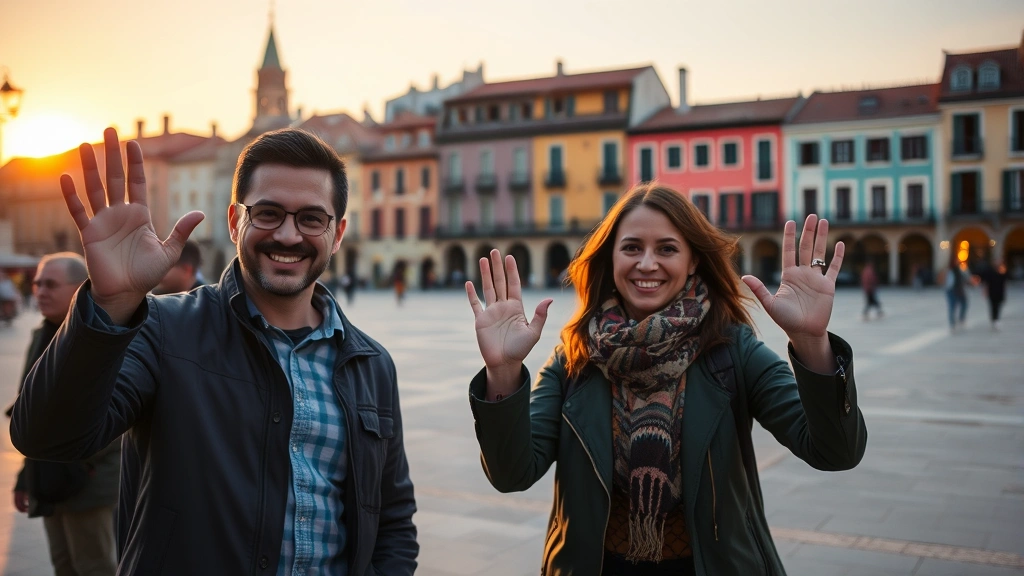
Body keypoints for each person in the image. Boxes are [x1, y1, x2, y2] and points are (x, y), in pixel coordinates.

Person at [11, 127, 418, 574]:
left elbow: (392, 518)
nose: (287, 235)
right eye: (267, 213)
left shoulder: (372, 365)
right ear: (233, 221)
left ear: (337, 233)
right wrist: (109, 307)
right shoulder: (164, 329)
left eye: (311, 219)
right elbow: (47, 437)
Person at [464, 183, 866, 575]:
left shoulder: (732, 351)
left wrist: (811, 342)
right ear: (611, 256)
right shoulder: (575, 358)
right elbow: (511, 474)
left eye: (667, 248)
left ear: (692, 260)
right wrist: (502, 371)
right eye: (632, 247)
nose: (647, 263)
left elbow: (834, 452)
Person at [10, 253, 121, 576]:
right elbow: (31, 412)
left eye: (50, 284)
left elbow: (117, 417)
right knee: (63, 564)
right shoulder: (41, 334)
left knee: (93, 566)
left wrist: (84, 467)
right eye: (37, 283)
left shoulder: (103, 337)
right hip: (47, 478)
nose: (40, 291)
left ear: (78, 289)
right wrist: (24, 477)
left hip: (88, 483)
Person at [979, 260, 1009, 331]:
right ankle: (993, 319)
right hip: (992, 293)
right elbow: (987, 283)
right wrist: (985, 291)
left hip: (999, 293)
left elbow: (1005, 283)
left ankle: (996, 319)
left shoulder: (1002, 273)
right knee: (993, 306)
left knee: (998, 306)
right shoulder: (990, 272)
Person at [943, 256, 970, 332]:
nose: (958, 261)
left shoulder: (960, 269)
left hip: (959, 290)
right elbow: (947, 281)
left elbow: (965, 277)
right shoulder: (950, 270)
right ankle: (952, 325)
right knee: (952, 308)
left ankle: (961, 319)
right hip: (952, 290)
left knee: (964, 304)